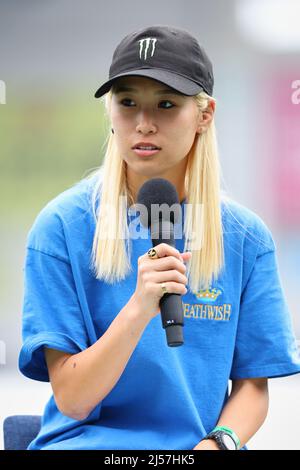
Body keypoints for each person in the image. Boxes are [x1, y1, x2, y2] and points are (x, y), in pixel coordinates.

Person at [19, 24, 300, 451]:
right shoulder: (61, 228)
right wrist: (138, 308)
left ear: (204, 115)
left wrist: (218, 444)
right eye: (127, 103)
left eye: (166, 105)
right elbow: (73, 400)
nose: (144, 124)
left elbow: (253, 387)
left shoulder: (246, 239)